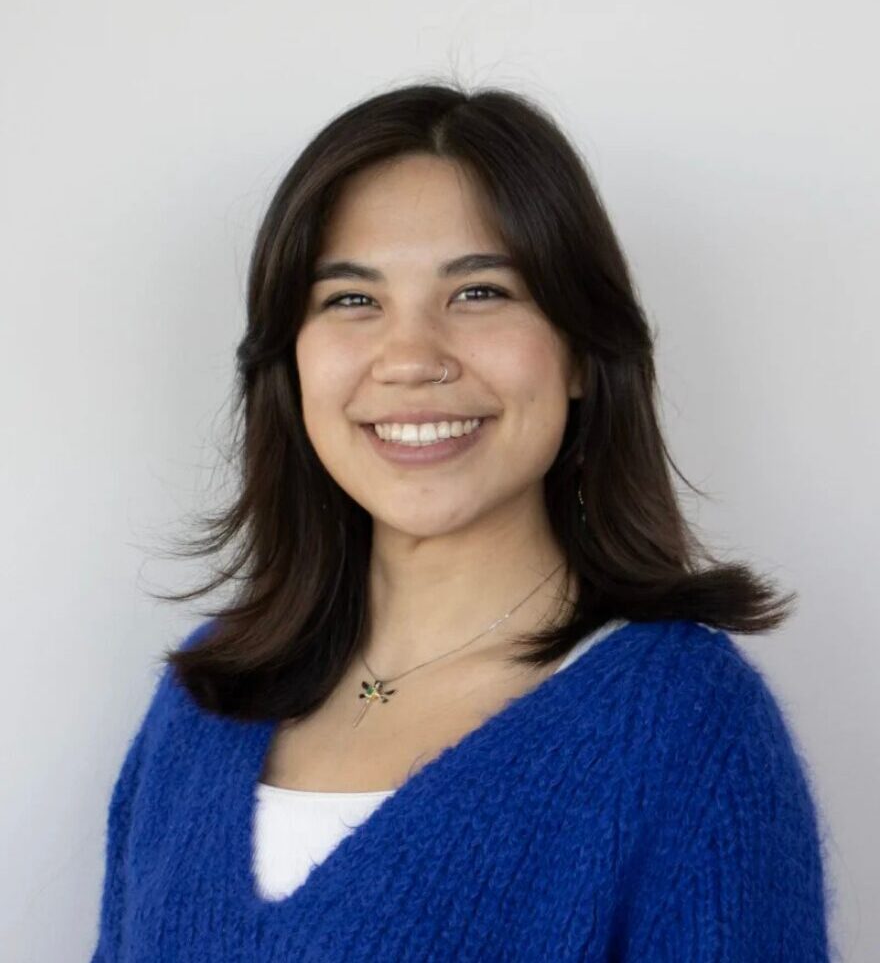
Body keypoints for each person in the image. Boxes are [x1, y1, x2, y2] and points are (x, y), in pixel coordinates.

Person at [90, 80, 834, 961]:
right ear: (290, 363)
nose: (410, 359)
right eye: (351, 300)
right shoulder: (204, 699)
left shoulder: (688, 729)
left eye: (480, 292)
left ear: (581, 353)